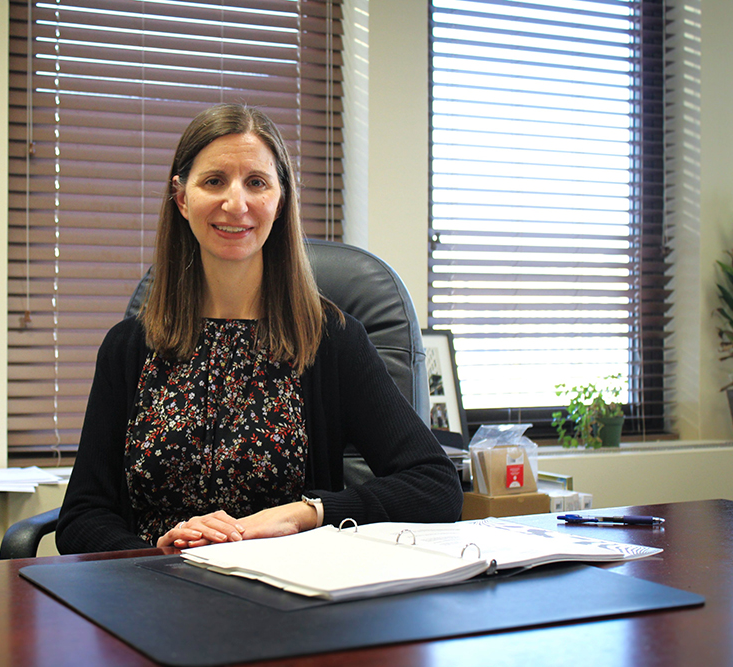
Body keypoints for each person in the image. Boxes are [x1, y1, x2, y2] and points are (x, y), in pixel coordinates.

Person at [56, 103, 463, 554]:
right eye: (214, 181)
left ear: (280, 198)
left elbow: (435, 485)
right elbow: (82, 517)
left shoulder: (329, 339)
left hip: (291, 596)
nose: (237, 203)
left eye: (256, 182)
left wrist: (307, 513)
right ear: (181, 197)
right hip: (155, 592)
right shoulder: (129, 347)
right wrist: (155, 554)